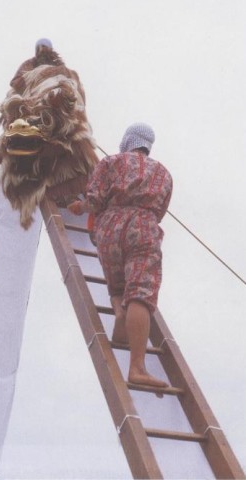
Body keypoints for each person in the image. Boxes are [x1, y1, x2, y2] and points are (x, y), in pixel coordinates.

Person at [68, 123, 173, 388]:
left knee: (116, 284)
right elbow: (159, 211)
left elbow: (94, 201)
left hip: (109, 229)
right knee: (139, 291)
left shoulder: (109, 163)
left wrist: (79, 207)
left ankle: (119, 313)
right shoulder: (163, 174)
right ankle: (137, 367)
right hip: (142, 226)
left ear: (127, 141)